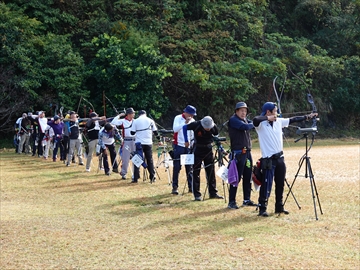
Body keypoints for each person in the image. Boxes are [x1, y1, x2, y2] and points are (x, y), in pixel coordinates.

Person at [253, 102, 318, 217]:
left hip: (280, 158)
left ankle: (279, 206)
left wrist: (308, 116)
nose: (276, 113)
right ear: (268, 112)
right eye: (275, 111)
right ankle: (262, 208)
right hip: (268, 159)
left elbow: (293, 119)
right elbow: (255, 119)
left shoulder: (279, 122)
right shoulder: (261, 124)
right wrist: (268, 118)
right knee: (267, 183)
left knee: (280, 183)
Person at [183, 116, 224, 201]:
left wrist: (221, 148)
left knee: (211, 172)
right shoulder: (196, 124)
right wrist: (186, 140)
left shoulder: (214, 127)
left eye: (209, 127)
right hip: (198, 150)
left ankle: (213, 193)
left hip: (208, 149)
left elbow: (217, 138)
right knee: (196, 172)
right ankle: (197, 195)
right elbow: (184, 127)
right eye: (206, 128)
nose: (208, 129)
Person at [227, 102, 257, 209]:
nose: (244, 113)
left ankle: (247, 199)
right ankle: (231, 202)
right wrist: (256, 123)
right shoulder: (234, 120)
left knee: (248, 176)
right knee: (236, 177)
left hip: (247, 152)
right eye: (241, 111)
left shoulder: (245, 120)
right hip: (239, 153)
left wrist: (261, 120)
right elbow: (245, 126)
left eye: (245, 111)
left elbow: (251, 123)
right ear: (236, 111)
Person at [171, 105, 196, 195]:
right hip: (179, 145)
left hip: (188, 146)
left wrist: (192, 143)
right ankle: (175, 186)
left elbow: (193, 133)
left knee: (189, 167)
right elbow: (175, 129)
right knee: (177, 166)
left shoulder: (193, 121)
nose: (192, 117)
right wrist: (185, 123)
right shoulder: (178, 118)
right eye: (191, 114)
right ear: (186, 113)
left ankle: (191, 186)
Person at [130, 110, 158, 183]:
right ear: (145, 114)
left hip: (139, 143)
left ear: (138, 115)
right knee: (150, 160)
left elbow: (132, 132)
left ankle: (135, 178)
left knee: (137, 159)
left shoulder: (135, 121)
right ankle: (152, 177)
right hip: (148, 143)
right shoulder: (151, 120)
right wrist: (159, 139)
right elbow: (155, 132)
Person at [111, 108, 136, 179]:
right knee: (125, 158)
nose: (133, 114)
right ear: (128, 114)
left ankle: (135, 173)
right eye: (132, 113)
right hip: (127, 140)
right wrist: (120, 115)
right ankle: (123, 173)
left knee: (135, 158)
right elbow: (113, 122)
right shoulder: (123, 121)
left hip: (134, 140)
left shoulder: (135, 121)